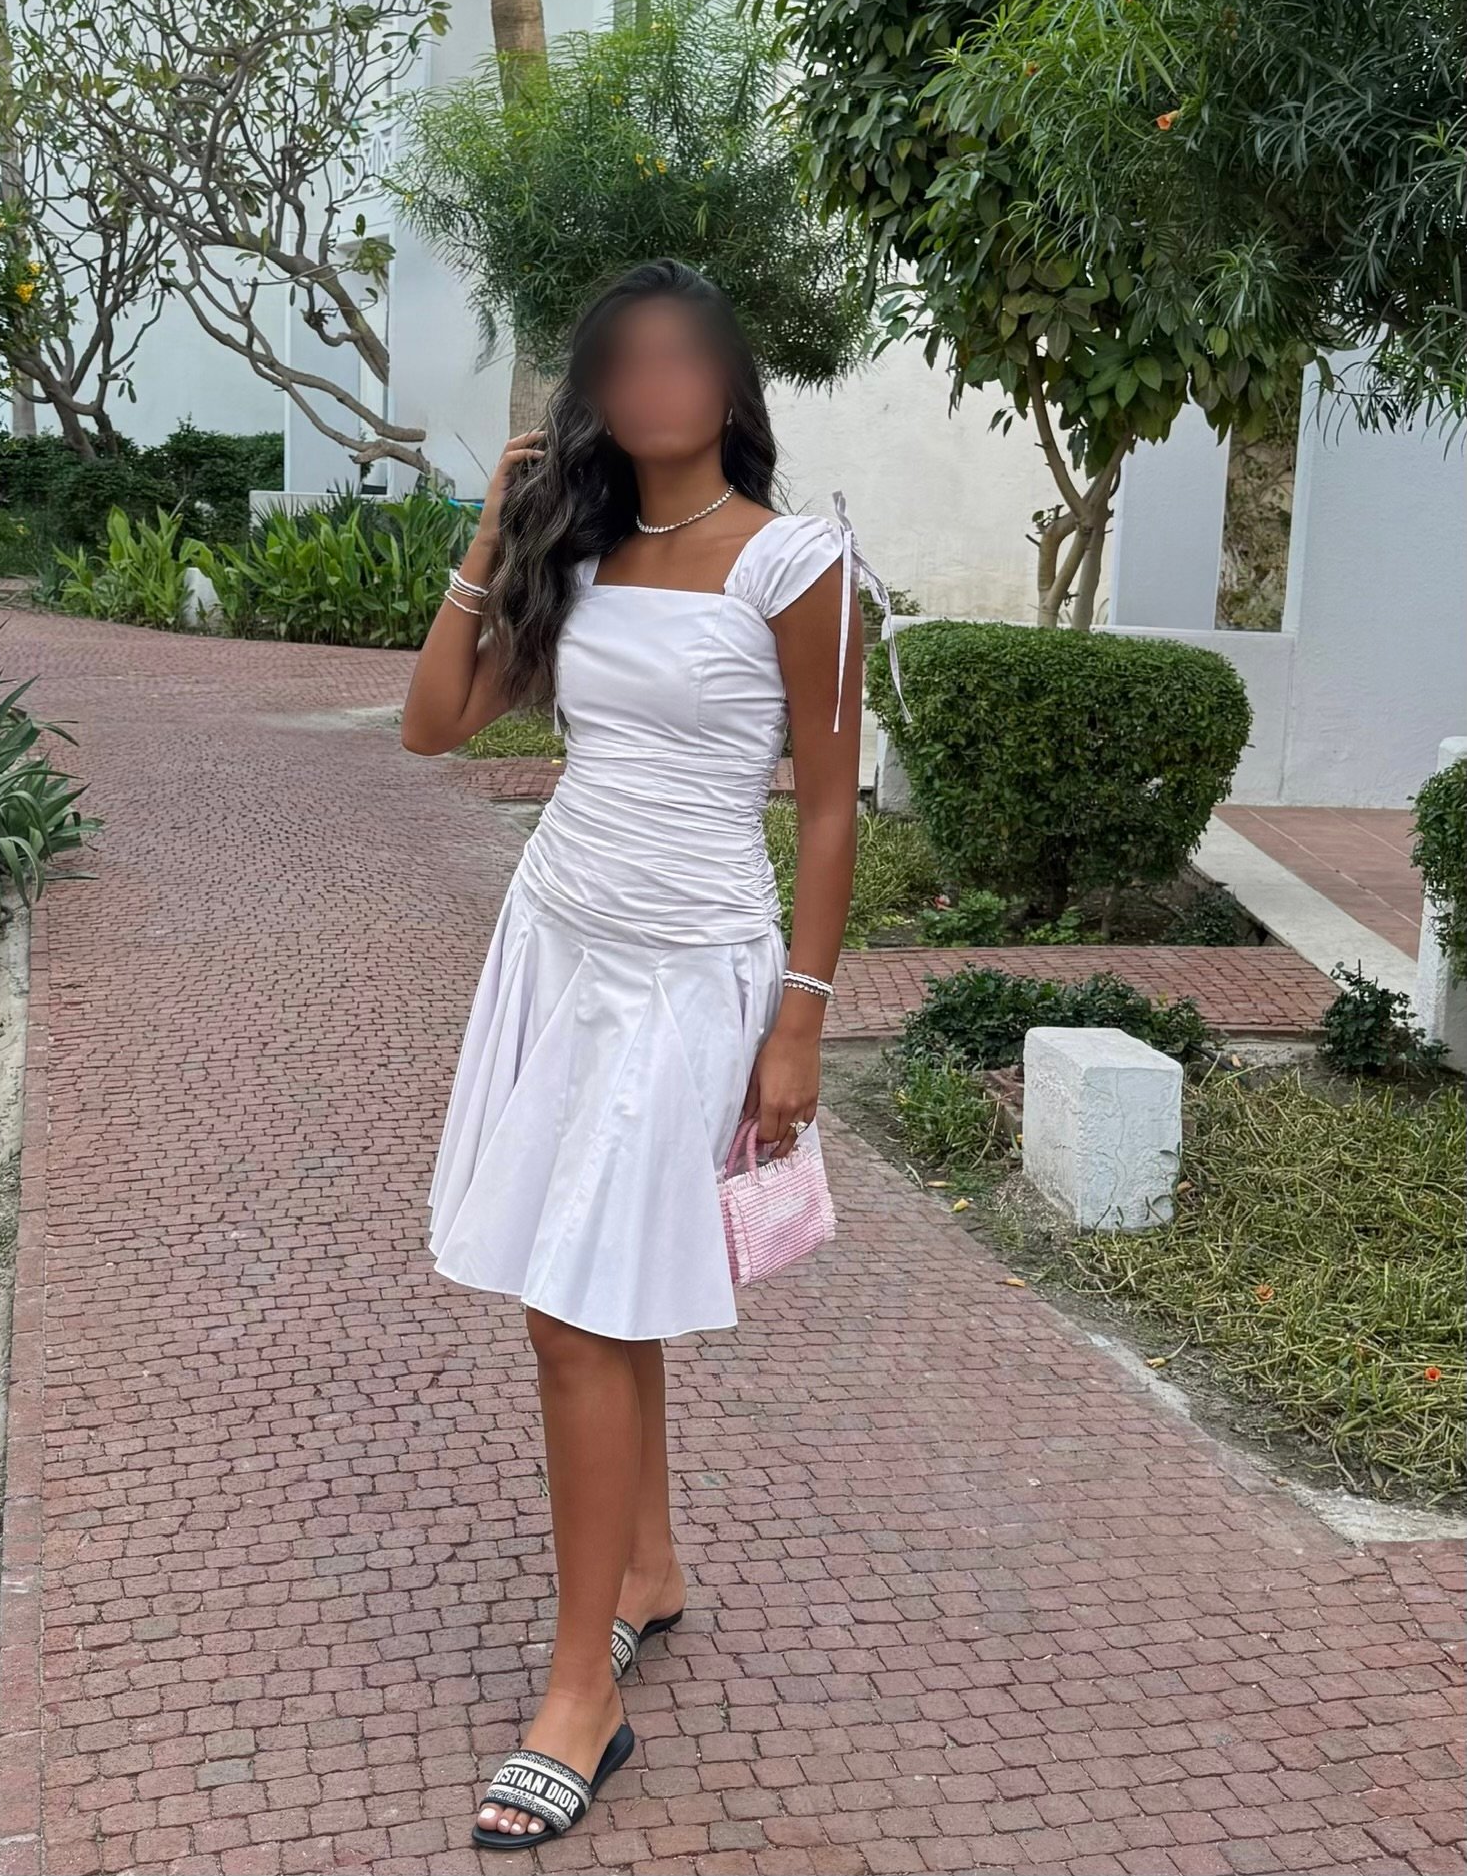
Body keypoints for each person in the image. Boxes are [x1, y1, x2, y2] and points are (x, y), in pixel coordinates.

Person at [400, 259, 906, 1852]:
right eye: (625, 363)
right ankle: (651, 1568)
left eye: (686, 359)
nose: (656, 385)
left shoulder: (796, 561)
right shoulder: (582, 549)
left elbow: (826, 806)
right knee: (603, 1283)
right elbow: (432, 723)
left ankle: (580, 1693)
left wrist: (801, 1013)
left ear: (733, 386)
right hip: (559, 942)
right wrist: (494, 534)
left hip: (695, 970)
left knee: (573, 1308)